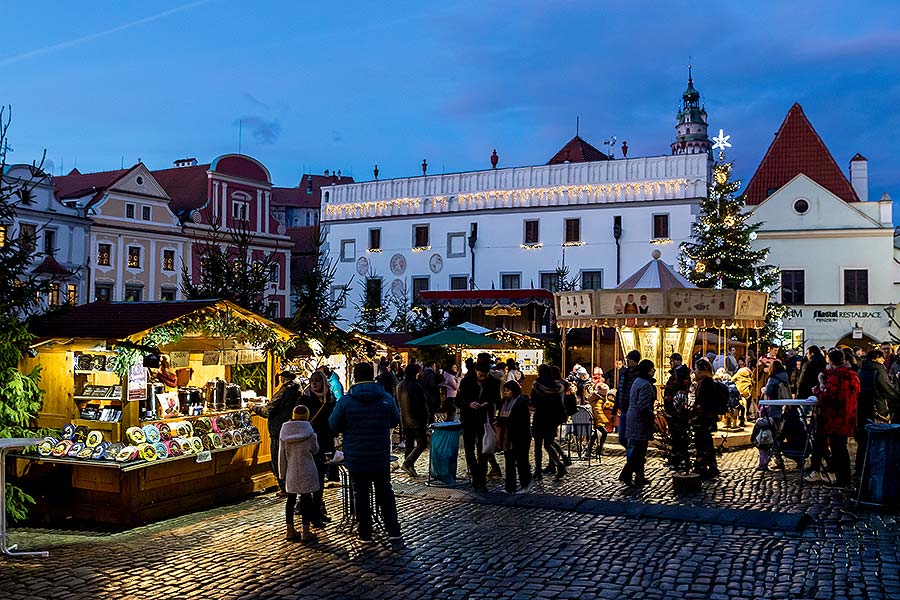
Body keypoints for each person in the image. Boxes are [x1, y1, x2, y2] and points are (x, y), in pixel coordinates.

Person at [328, 362, 402, 543]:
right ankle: (393, 530)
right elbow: (395, 420)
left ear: (354, 376)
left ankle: (365, 532)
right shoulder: (385, 398)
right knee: (385, 492)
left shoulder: (345, 401)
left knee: (360, 494)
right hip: (380, 453)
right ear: (373, 375)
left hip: (356, 455)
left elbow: (333, 425)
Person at [805, 349, 859, 487]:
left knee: (838, 448)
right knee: (842, 447)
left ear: (831, 360)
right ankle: (844, 478)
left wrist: (817, 390)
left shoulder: (836, 377)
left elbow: (826, 397)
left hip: (835, 418)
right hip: (849, 415)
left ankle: (843, 479)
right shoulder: (852, 375)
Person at [455, 359, 501, 492]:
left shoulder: (493, 382)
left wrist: (488, 403)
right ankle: (476, 476)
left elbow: (497, 399)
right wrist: (469, 403)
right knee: (469, 450)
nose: (482, 378)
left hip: (484, 419)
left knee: (483, 451)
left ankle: (481, 481)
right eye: (480, 375)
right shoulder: (466, 381)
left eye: (485, 375)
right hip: (469, 418)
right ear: (476, 371)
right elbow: (458, 400)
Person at [296, 370, 336, 524]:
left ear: (324, 382)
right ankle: (311, 514)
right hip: (308, 443)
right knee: (310, 479)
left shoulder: (330, 399)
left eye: (318, 380)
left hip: (325, 442)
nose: (314, 383)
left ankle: (318, 509)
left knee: (320, 477)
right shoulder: (303, 399)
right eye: (312, 380)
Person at [253, 370, 302, 494]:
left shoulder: (285, 391)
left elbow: (267, 411)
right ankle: (290, 485)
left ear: (283, 379)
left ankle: (284, 486)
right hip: (290, 428)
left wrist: (253, 407)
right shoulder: (298, 388)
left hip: (278, 429)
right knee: (289, 459)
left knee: (278, 459)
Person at [855, 349, 899, 484]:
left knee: (864, 441)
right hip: (877, 409)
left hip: (863, 409)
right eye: (881, 358)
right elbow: (888, 389)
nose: (884, 360)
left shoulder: (862, 370)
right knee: (878, 441)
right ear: (877, 358)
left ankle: (860, 469)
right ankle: (876, 470)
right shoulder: (878, 370)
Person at [279, 405, 320, 543]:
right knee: (306, 500)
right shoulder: (310, 433)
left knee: (290, 500)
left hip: (291, 470)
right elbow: (315, 450)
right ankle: (306, 531)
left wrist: (282, 474)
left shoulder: (284, 432)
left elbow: (281, 455)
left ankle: (290, 530)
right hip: (307, 470)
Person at [619, 359, 656, 486]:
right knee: (639, 449)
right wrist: (651, 418)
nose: (654, 371)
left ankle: (638, 476)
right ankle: (627, 474)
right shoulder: (645, 384)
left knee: (636, 448)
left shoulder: (637, 381)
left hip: (632, 417)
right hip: (639, 420)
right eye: (652, 368)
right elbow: (643, 406)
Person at [529, 364, 567, 481]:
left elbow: (534, 403)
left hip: (540, 417)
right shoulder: (556, 385)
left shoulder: (537, 385)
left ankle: (538, 470)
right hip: (552, 418)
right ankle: (559, 465)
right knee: (548, 444)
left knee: (538, 445)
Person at [496, 380, 532, 494]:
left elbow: (521, 420)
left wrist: (503, 420)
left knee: (522, 461)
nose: (506, 393)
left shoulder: (521, 402)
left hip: (520, 436)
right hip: (507, 436)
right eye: (505, 390)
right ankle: (510, 487)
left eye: (508, 390)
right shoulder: (504, 402)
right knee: (509, 462)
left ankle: (525, 484)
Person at [396, 363, 430, 478]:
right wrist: (426, 419)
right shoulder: (416, 386)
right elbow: (422, 404)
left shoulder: (400, 385)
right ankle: (408, 463)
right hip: (416, 419)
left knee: (409, 444)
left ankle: (409, 466)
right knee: (423, 443)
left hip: (404, 420)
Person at [663, 353, 692, 470]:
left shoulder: (679, 374)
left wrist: (671, 406)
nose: (670, 364)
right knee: (677, 434)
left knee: (677, 434)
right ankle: (678, 456)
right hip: (676, 409)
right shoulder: (680, 374)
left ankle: (677, 457)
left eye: (671, 361)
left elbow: (678, 391)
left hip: (676, 411)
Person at [692, 359, 720, 478]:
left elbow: (705, 400)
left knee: (703, 441)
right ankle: (710, 465)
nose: (695, 371)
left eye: (696, 368)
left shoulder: (705, 382)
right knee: (706, 441)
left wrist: (697, 410)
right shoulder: (706, 380)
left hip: (704, 417)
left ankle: (703, 466)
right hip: (706, 417)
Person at [613, 350, 642, 449]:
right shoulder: (624, 373)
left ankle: (633, 459)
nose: (627, 361)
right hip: (624, 409)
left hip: (633, 410)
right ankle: (633, 455)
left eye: (629, 359)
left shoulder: (639, 375)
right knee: (622, 438)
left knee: (631, 438)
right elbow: (619, 391)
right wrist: (615, 409)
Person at [585, 368, 610, 462]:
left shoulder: (597, 398)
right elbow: (597, 411)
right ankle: (598, 449)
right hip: (596, 420)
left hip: (594, 420)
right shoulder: (598, 401)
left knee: (594, 435)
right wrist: (604, 420)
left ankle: (590, 449)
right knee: (604, 433)